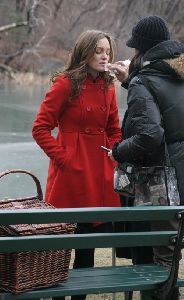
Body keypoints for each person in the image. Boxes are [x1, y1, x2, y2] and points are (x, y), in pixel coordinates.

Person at [32, 29, 121, 300]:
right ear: (85, 52)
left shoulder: (108, 86)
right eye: (99, 51)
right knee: (62, 244)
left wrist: (114, 153)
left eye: (108, 51)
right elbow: (40, 128)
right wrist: (64, 158)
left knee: (88, 245)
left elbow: (115, 129)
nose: (105, 56)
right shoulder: (65, 84)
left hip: (98, 175)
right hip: (69, 176)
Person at [108, 15, 184, 299]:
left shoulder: (145, 81)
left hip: (162, 184)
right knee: (171, 255)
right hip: (181, 176)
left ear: (142, 49)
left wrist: (118, 150)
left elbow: (150, 135)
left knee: (160, 259)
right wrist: (132, 84)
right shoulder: (175, 73)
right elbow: (170, 111)